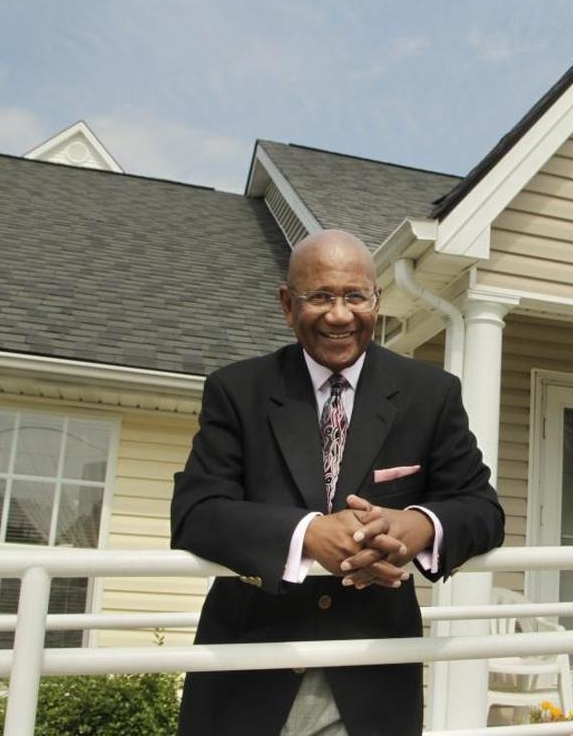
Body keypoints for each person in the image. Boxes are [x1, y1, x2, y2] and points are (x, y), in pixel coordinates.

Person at [170, 229, 505, 735]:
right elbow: (196, 511)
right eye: (321, 296)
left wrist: (418, 525)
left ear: (375, 300)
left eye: (355, 297)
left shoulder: (429, 394)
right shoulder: (237, 391)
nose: (340, 315)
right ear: (287, 304)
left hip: (371, 683)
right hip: (248, 680)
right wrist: (306, 535)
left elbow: (481, 508)